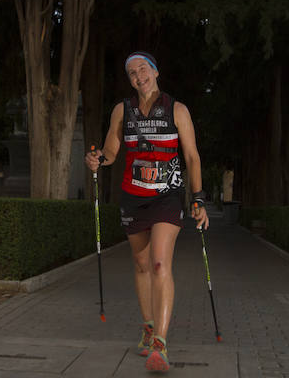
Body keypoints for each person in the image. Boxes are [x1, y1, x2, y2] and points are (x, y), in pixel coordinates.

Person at [85, 51, 208, 373]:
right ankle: (148, 327)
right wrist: (100, 159)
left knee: (158, 262)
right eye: (132, 73)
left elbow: (192, 156)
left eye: (143, 69)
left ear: (156, 71)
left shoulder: (177, 110)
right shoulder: (121, 111)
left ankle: (161, 344)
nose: (138, 76)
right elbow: (112, 149)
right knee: (140, 264)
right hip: (132, 197)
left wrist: (198, 198)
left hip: (167, 196)